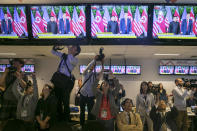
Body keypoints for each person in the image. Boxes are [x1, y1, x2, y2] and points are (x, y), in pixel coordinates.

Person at [51, 45, 81, 122]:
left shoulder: (75, 60)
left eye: (73, 48)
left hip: (65, 82)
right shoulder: (64, 55)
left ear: (76, 51)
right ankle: (59, 118)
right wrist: (55, 47)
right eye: (72, 47)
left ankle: (66, 119)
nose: (71, 47)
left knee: (65, 100)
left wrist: (68, 49)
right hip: (58, 80)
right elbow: (53, 52)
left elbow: (70, 59)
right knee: (58, 100)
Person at [0, 58, 27, 130]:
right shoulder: (8, 74)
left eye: (16, 63)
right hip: (7, 98)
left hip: (17, 100)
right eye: (13, 63)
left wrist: (19, 77)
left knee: (17, 120)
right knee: (3, 119)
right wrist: (5, 73)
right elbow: (1, 83)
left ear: (21, 64)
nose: (14, 65)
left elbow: (24, 86)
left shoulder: (23, 75)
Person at [79, 55, 100, 126]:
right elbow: (88, 67)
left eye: (93, 66)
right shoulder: (85, 73)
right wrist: (94, 60)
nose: (92, 67)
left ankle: (89, 126)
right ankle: (82, 125)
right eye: (91, 66)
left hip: (91, 96)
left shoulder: (95, 76)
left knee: (90, 112)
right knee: (82, 112)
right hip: (83, 94)